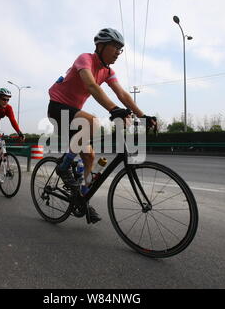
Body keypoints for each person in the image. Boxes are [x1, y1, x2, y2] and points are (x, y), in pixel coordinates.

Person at [47, 28, 157, 223]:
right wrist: (114, 109)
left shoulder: (107, 71)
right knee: (92, 122)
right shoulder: (85, 59)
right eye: (115, 47)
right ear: (100, 46)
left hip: (74, 115)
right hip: (58, 108)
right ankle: (64, 167)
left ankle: (82, 198)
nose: (118, 52)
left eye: (120, 49)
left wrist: (143, 115)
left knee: (90, 157)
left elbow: (122, 94)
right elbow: (91, 86)